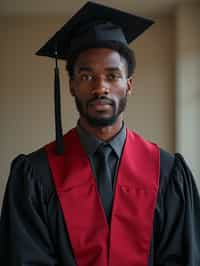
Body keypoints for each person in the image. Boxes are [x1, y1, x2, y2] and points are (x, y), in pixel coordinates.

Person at [0, 2, 200, 266]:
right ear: (71, 86)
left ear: (128, 85)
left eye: (112, 75)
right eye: (86, 76)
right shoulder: (35, 175)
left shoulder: (168, 172)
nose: (100, 87)